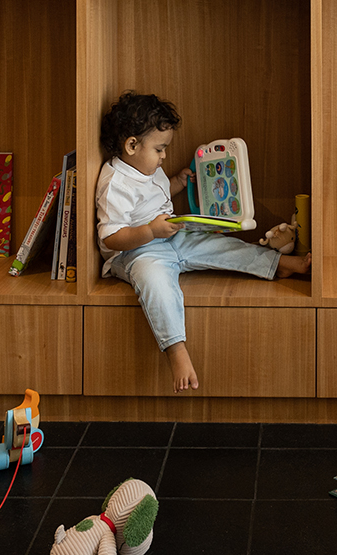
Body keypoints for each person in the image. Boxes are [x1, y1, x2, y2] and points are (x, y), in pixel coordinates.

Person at [95, 92, 310, 392]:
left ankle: (277, 264)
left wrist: (177, 184)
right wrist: (150, 232)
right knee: (156, 284)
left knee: (218, 246)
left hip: (169, 234)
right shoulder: (115, 182)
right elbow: (111, 237)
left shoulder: (148, 167)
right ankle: (176, 349)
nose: (164, 156)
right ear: (131, 145)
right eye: (160, 149)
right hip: (135, 253)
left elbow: (157, 195)